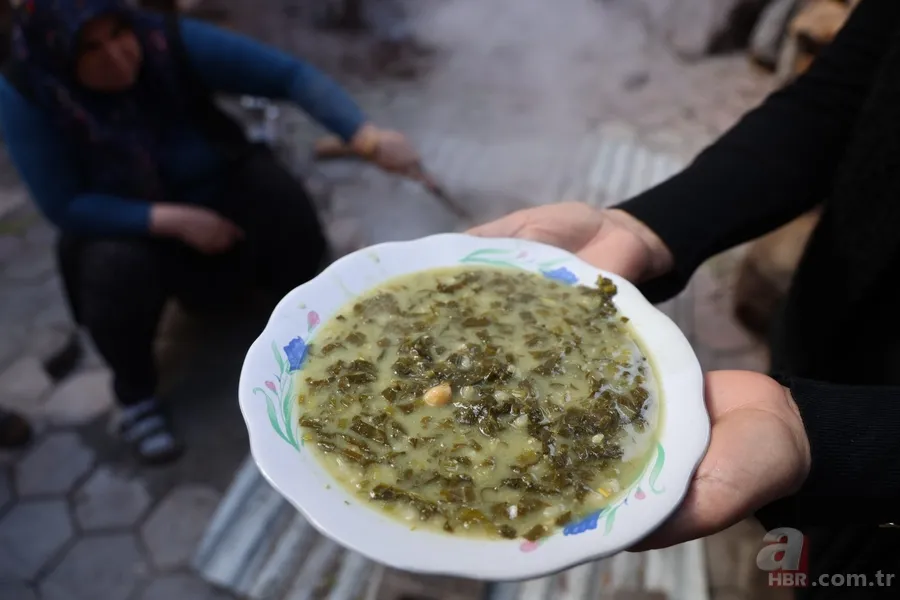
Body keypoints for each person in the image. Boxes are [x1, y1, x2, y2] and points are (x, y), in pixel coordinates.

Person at [470, 0, 899, 597]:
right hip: (832, 328)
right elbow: (840, 96)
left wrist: (847, 439)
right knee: (799, 541)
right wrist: (650, 227)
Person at [0, 0, 422, 465]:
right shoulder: (30, 91)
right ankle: (136, 394)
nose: (118, 57)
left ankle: (304, 322)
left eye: (120, 34)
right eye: (91, 48)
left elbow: (288, 76)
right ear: (58, 53)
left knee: (281, 203)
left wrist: (364, 136)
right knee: (112, 270)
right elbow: (64, 204)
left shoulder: (165, 41)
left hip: (217, 185)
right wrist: (173, 220)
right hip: (126, 220)